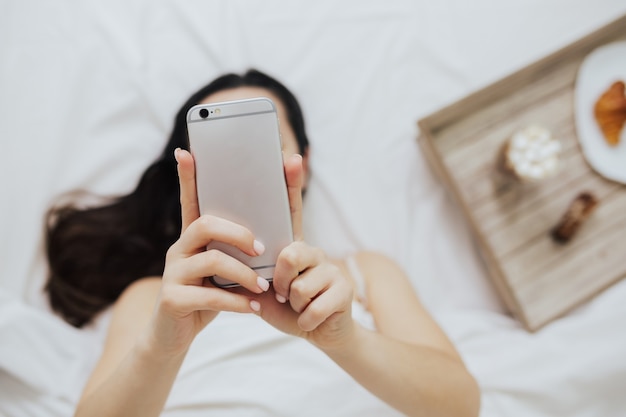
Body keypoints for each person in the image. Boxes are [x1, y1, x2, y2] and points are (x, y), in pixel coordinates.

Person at [45, 69, 480, 417]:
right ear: (189, 174)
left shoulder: (366, 272)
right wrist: (164, 345)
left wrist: (343, 339)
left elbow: (463, 406)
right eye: (219, 152)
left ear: (302, 164)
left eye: (261, 144)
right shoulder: (155, 297)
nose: (241, 166)